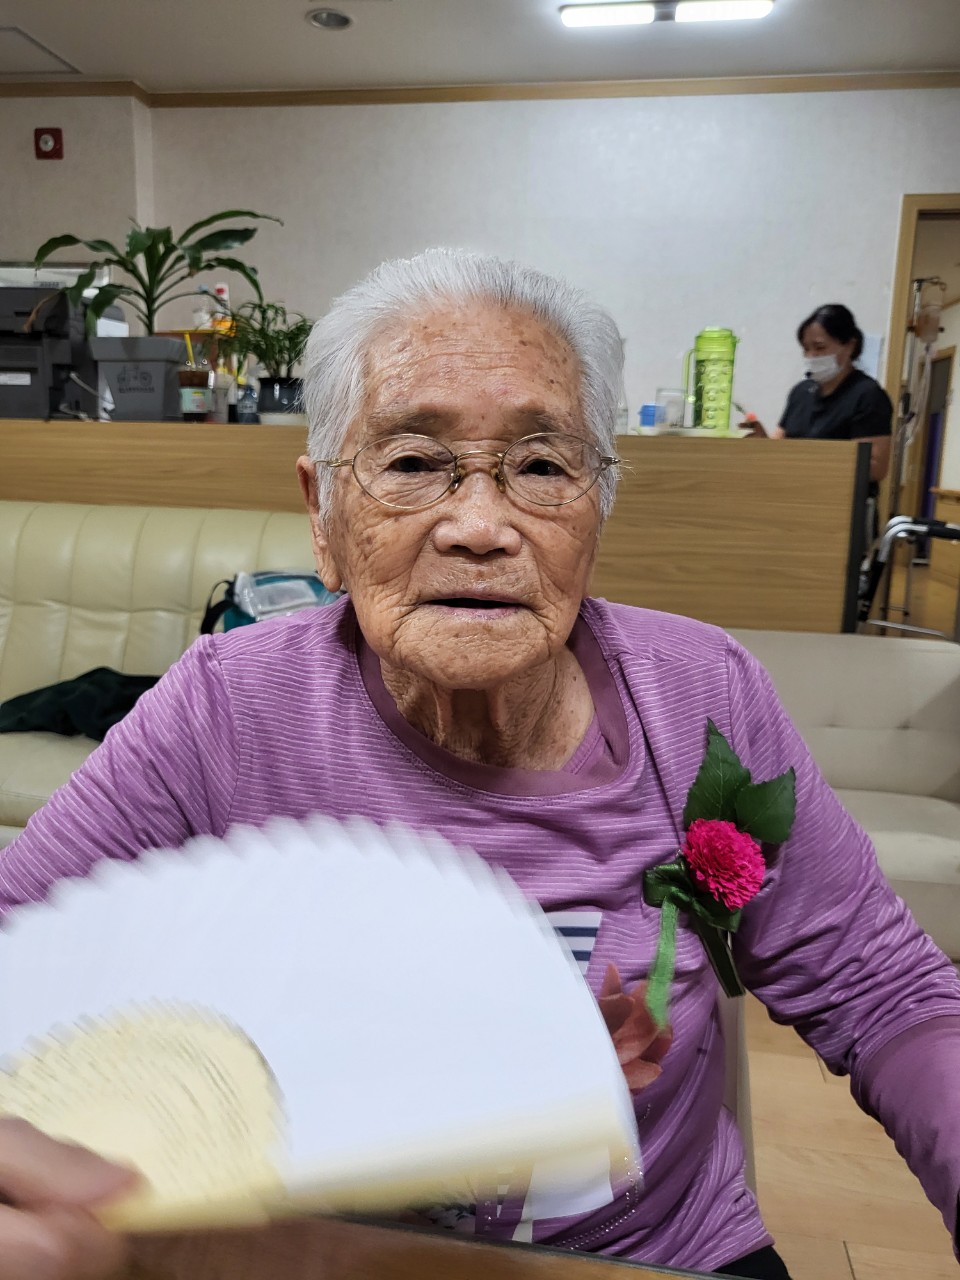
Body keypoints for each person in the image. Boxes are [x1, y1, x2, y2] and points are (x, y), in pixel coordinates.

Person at [0, 250, 958, 1280]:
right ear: (323, 516)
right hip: (323, 1257)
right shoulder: (229, 706)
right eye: (413, 462)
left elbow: (884, 990)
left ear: (598, 508)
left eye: (542, 466)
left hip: (655, 1254)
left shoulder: (699, 695)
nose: (479, 527)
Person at [744, 303, 893, 497]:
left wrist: (807, 459)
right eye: (806, 349)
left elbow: (875, 467)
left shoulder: (867, 395)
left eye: (820, 347)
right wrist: (763, 442)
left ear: (849, 346)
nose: (811, 356)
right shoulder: (801, 392)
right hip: (792, 498)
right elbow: (779, 449)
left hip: (838, 503)